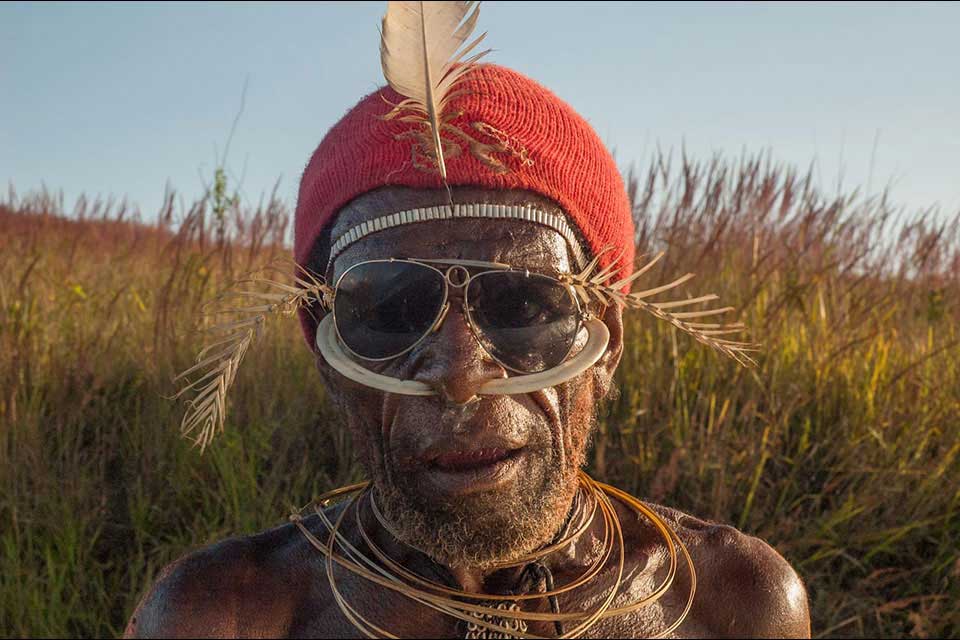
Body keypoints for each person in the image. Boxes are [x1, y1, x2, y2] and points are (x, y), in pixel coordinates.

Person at [125, 8, 810, 637]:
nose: (459, 379)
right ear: (331, 361)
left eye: (522, 306)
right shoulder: (228, 617)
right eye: (390, 314)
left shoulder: (733, 603)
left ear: (605, 342)